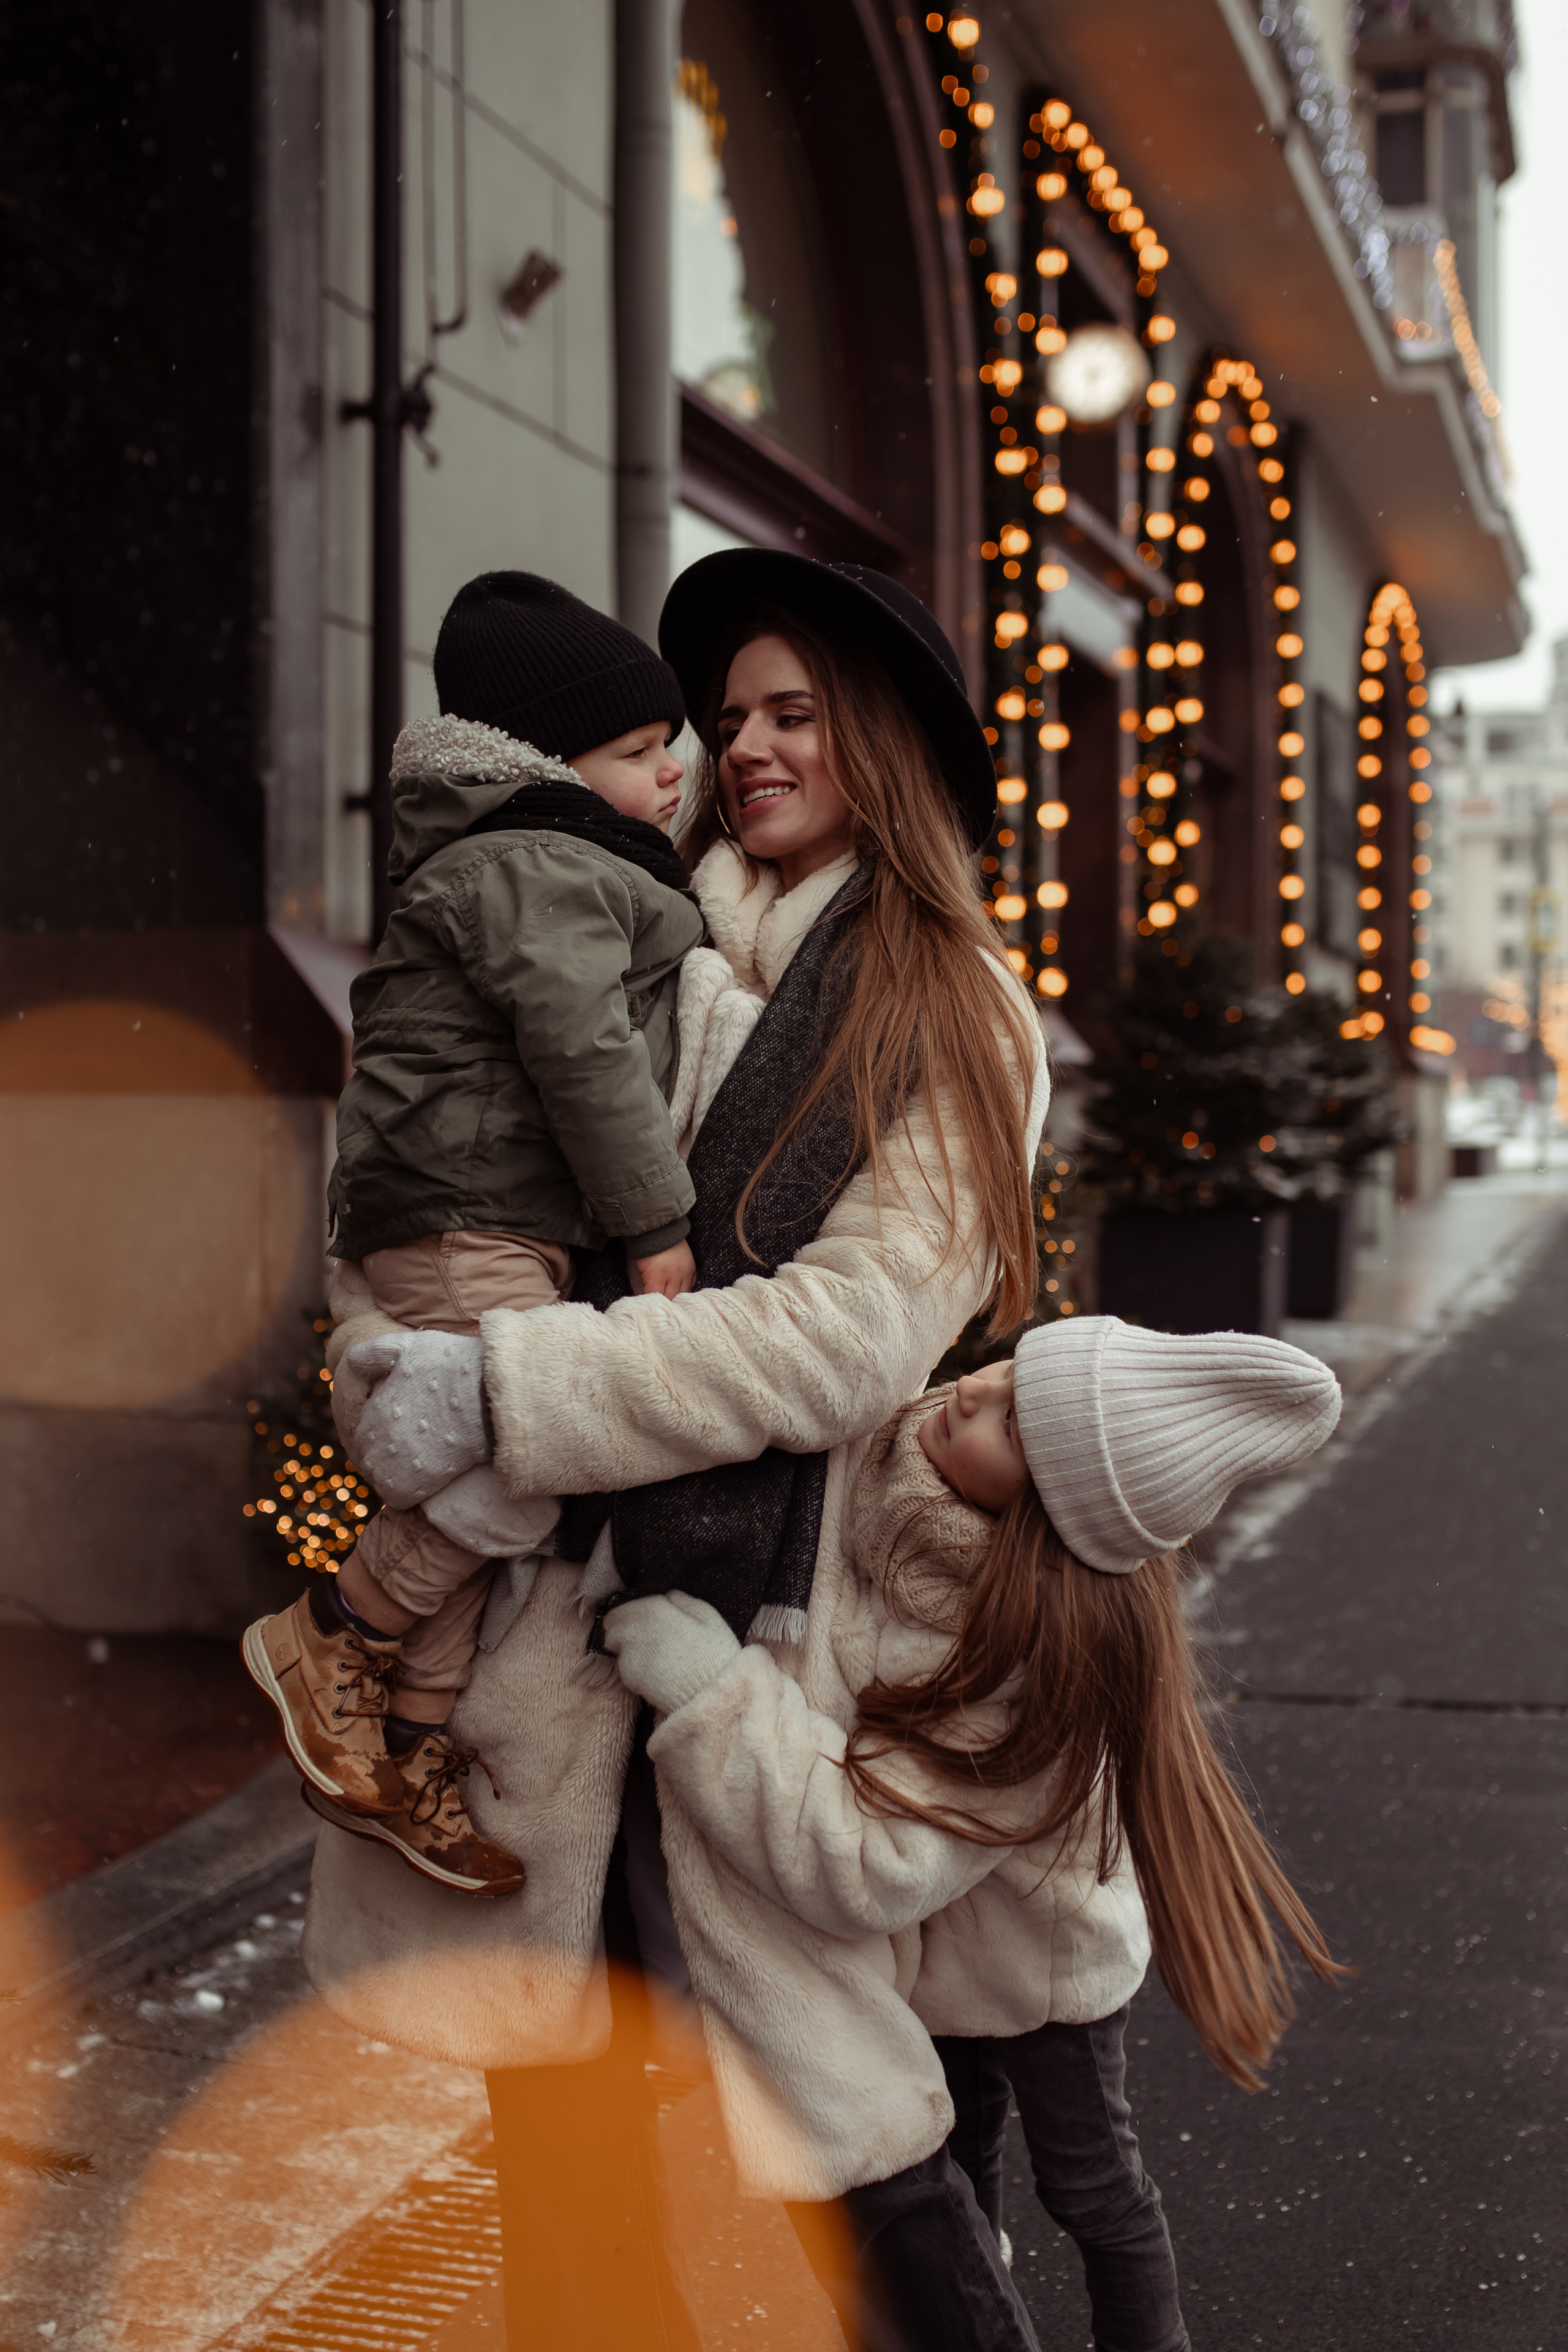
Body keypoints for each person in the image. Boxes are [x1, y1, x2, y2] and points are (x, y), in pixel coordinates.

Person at [304, 554, 1051, 2351]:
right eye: (730, 719)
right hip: (549, 1651)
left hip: (778, 1647)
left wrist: (513, 1394)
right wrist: (390, 1372)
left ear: (882, 743)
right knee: (565, 2171)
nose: (751, 747)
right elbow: (418, 1183)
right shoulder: (608, 919)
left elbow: (844, 1337)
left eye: (797, 713)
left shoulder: (948, 1004)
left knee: (855, 2160)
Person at [600, 1314, 1351, 2352]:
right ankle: (982, 2288)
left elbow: (874, 1852)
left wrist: (714, 1692)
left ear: (1045, 1517)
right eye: (1012, 1371)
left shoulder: (1031, 1667)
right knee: (967, 2157)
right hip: (944, 1954)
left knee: (1093, 2187)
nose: (976, 1392)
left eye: (1018, 1428)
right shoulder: (902, 1487)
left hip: (1043, 1969)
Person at [244, 571, 704, 1894]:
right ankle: (334, 1624)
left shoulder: (544, 858)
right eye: (640, 751)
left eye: (671, 744)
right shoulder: (535, 865)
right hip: (468, 1211)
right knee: (537, 1447)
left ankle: (407, 1741)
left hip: (480, 1209)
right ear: (551, 767)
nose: (673, 772)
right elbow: (581, 1048)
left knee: (469, 1478)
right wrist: (655, 1221)